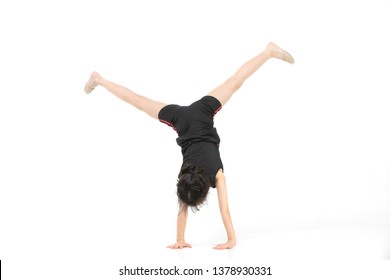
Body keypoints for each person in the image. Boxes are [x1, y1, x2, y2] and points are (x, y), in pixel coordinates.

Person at [84, 42, 294, 250]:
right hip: (182, 120)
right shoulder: (185, 176)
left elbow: (225, 210)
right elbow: (192, 208)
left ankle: (268, 51)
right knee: (139, 101)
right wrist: (180, 239)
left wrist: (230, 239)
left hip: (201, 114)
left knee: (234, 81)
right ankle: (99, 79)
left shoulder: (215, 175)